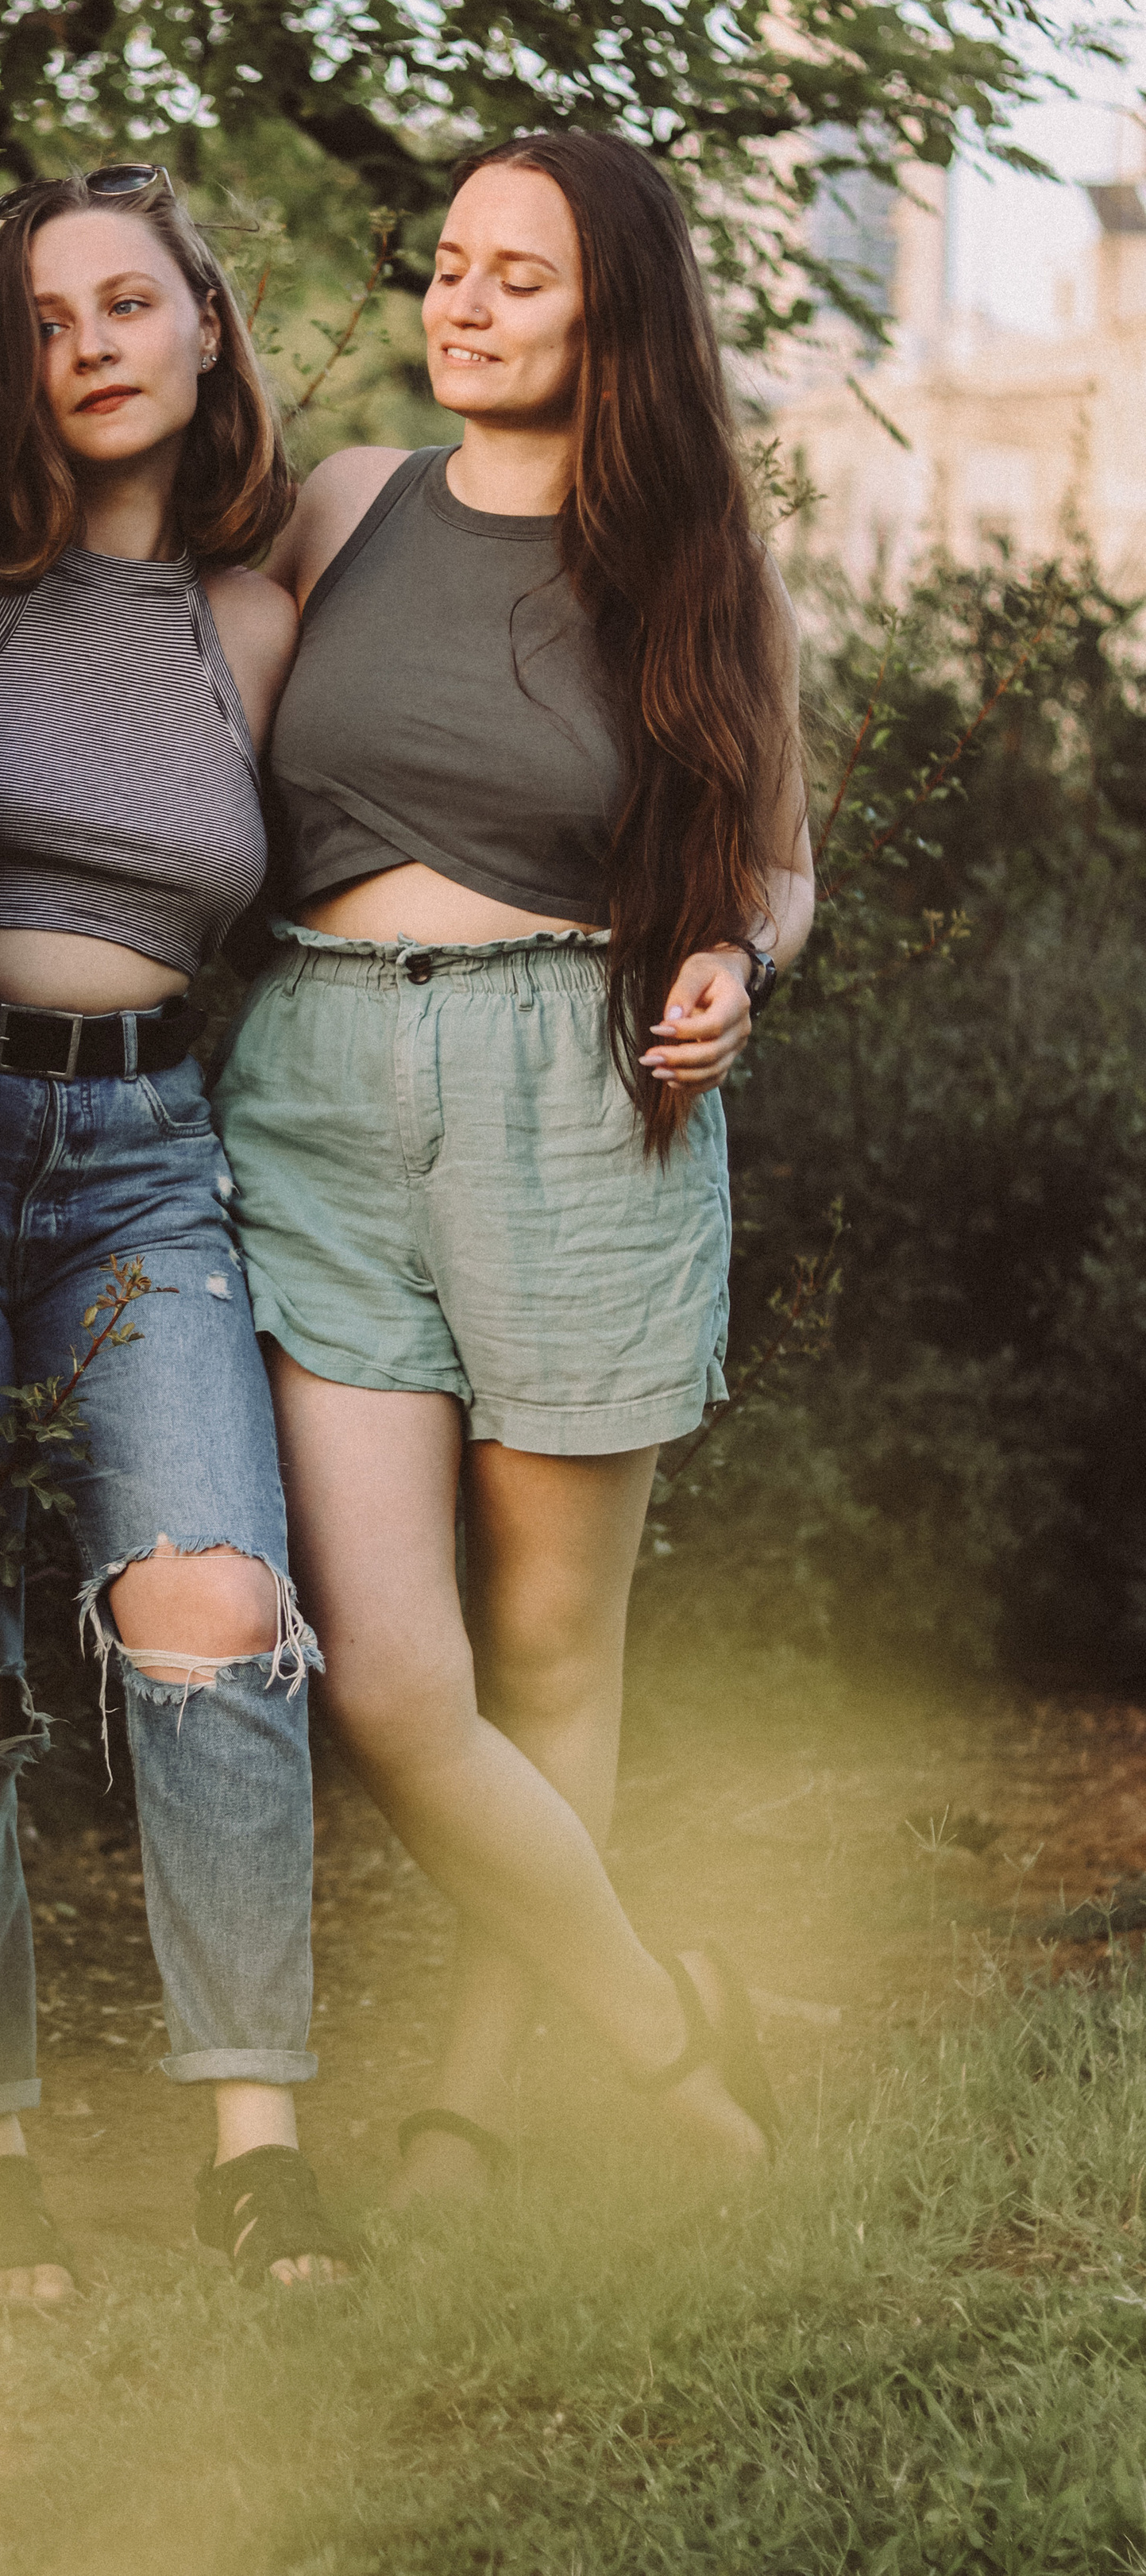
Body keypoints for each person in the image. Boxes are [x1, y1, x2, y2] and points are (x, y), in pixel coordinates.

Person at [214, 131, 815, 2201]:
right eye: (450, 267)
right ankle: (662, 2035)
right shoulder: (348, 509)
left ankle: (468, 2111)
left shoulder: (695, 564)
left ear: (610, 315)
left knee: (551, 1656)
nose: (458, 304)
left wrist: (736, 956)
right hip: (318, 1090)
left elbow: (777, 868)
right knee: (391, 1672)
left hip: (579, 1091)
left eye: (516, 278)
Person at [0, 165, 345, 2294]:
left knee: (219, 1607)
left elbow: (402, 820)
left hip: (152, 1153)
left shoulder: (255, 619)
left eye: (131, 302)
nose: (93, 347)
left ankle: (257, 2152)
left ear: (210, 325)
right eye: (48, 322)